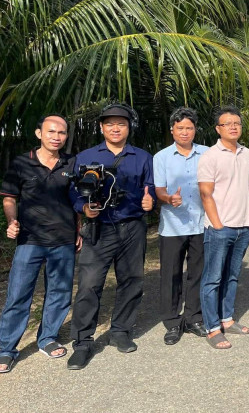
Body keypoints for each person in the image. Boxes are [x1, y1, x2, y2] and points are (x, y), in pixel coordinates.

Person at [67, 103, 154, 370]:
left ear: (129, 127)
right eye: (110, 124)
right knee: (89, 284)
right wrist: (83, 208)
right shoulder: (86, 156)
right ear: (102, 127)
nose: (116, 128)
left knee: (131, 280)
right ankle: (82, 342)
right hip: (99, 227)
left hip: (132, 226)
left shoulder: (142, 157)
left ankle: (120, 331)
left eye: (121, 124)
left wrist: (150, 199)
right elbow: (72, 190)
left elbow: (150, 186)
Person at [0, 115, 78, 373]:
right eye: (51, 131)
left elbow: (77, 200)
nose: (56, 136)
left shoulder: (71, 163)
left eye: (61, 132)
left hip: (63, 239)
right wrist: (12, 221)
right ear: (39, 133)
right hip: (30, 240)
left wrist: (78, 230)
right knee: (18, 294)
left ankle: (47, 338)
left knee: (60, 292)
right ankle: (6, 348)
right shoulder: (22, 162)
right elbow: (9, 197)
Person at [197, 106, 249, 350]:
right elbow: (205, 193)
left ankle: (227, 319)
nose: (233, 127)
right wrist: (218, 225)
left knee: (232, 276)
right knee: (212, 279)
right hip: (220, 228)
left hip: (243, 226)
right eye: (227, 123)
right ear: (218, 129)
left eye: (237, 123)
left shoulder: (247, 153)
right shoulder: (210, 156)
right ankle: (212, 328)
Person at [153, 107, 210, 345]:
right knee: (171, 275)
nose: (184, 132)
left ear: (195, 130)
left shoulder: (207, 153)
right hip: (173, 226)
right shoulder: (161, 157)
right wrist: (169, 198)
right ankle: (172, 322)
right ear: (172, 130)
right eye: (180, 128)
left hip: (201, 223)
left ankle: (194, 317)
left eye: (189, 128)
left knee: (198, 273)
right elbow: (158, 189)